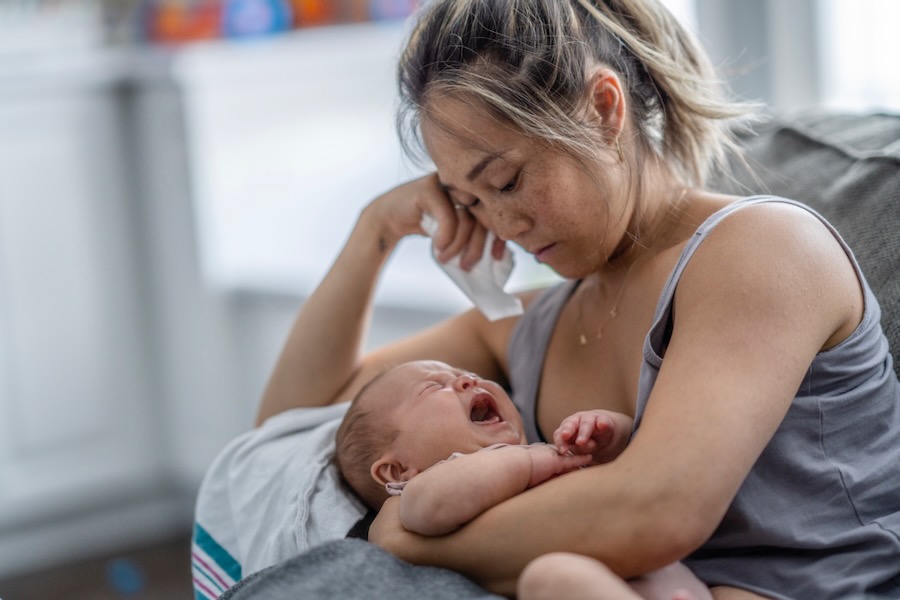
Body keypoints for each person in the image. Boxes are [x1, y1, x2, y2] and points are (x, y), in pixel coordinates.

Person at [256, 0, 900, 598]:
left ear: (603, 108)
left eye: (506, 181)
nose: (501, 225)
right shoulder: (539, 316)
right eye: (470, 202)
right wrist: (375, 232)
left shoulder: (762, 249)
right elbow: (290, 426)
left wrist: (404, 538)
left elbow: (657, 512)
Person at [334, 359, 716, 600]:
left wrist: (612, 434)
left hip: (666, 573)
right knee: (549, 578)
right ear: (397, 471)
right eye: (435, 387)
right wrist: (534, 460)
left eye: (468, 374)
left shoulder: (546, 449)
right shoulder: (419, 492)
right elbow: (432, 508)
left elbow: (638, 463)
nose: (467, 380)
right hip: (594, 583)